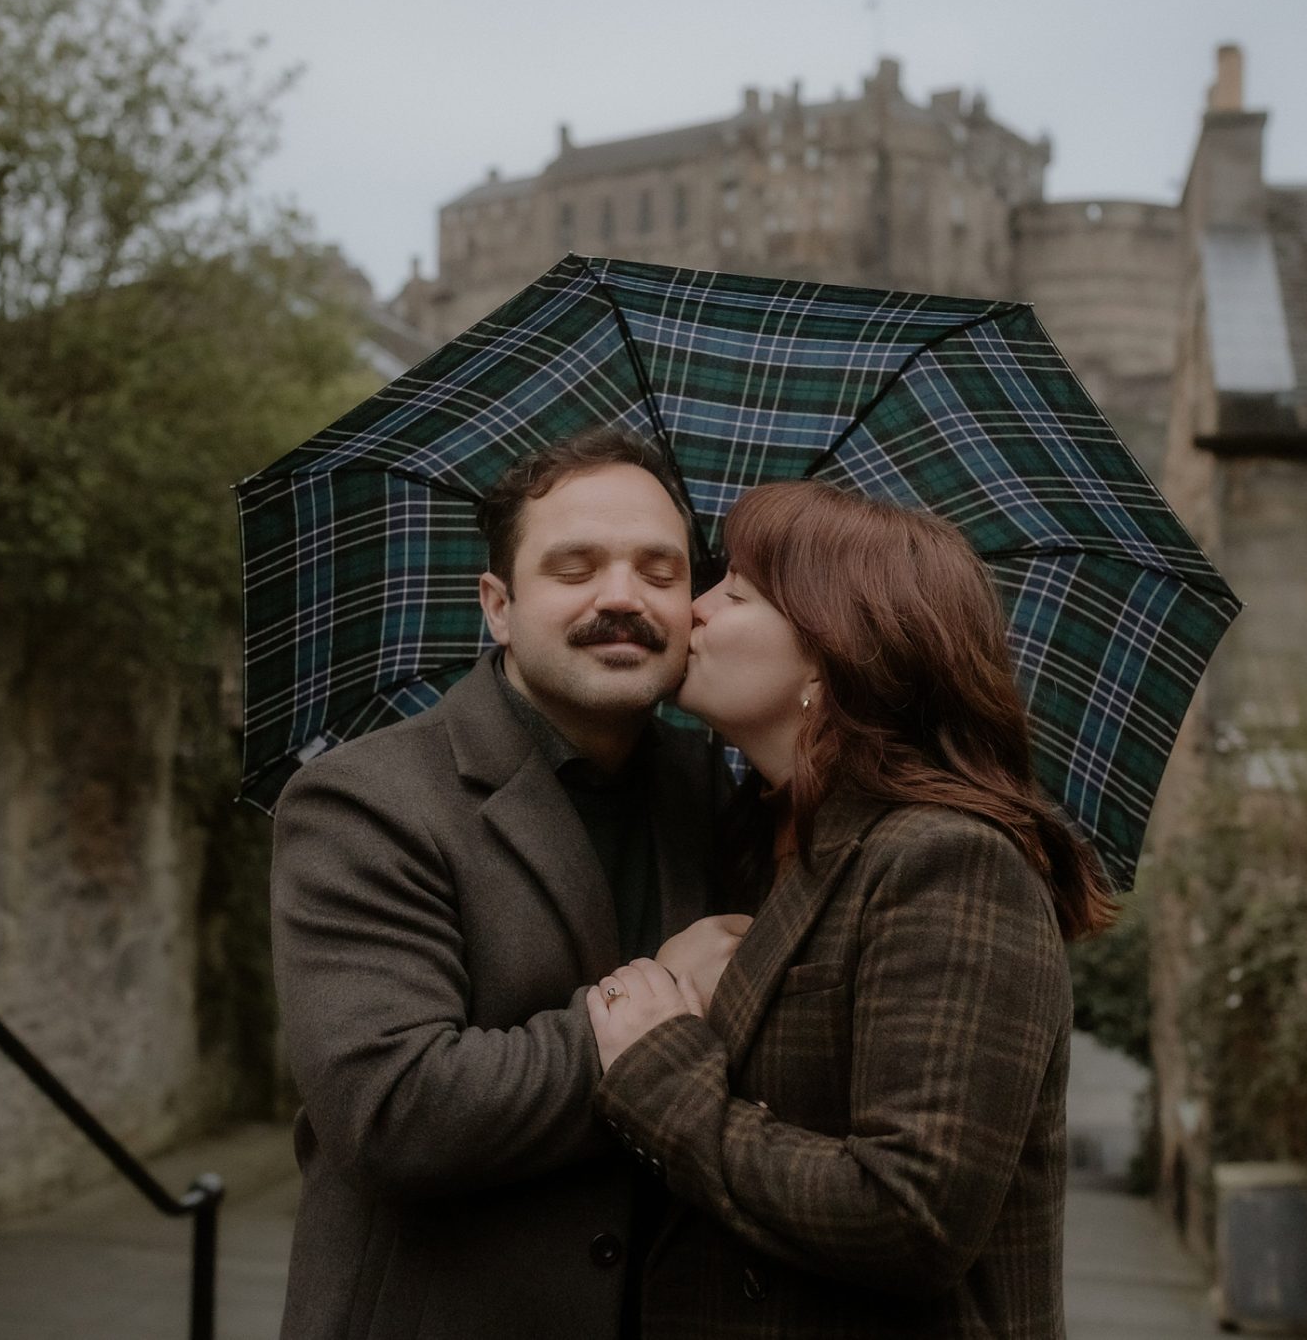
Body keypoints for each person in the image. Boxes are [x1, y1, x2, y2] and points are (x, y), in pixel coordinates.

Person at [586, 479, 1113, 1338]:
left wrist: (660, 1078)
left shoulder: (950, 860)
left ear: (833, 653)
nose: (698, 608)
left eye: (737, 592)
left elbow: (913, 1214)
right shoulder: (764, 844)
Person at [269, 426, 744, 1340]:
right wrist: (661, 1004)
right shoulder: (365, 799)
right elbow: (393, 1111)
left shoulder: (715, 789)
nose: (623, 597)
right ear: (498, 603)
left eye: (659, 570)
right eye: (575, 568)